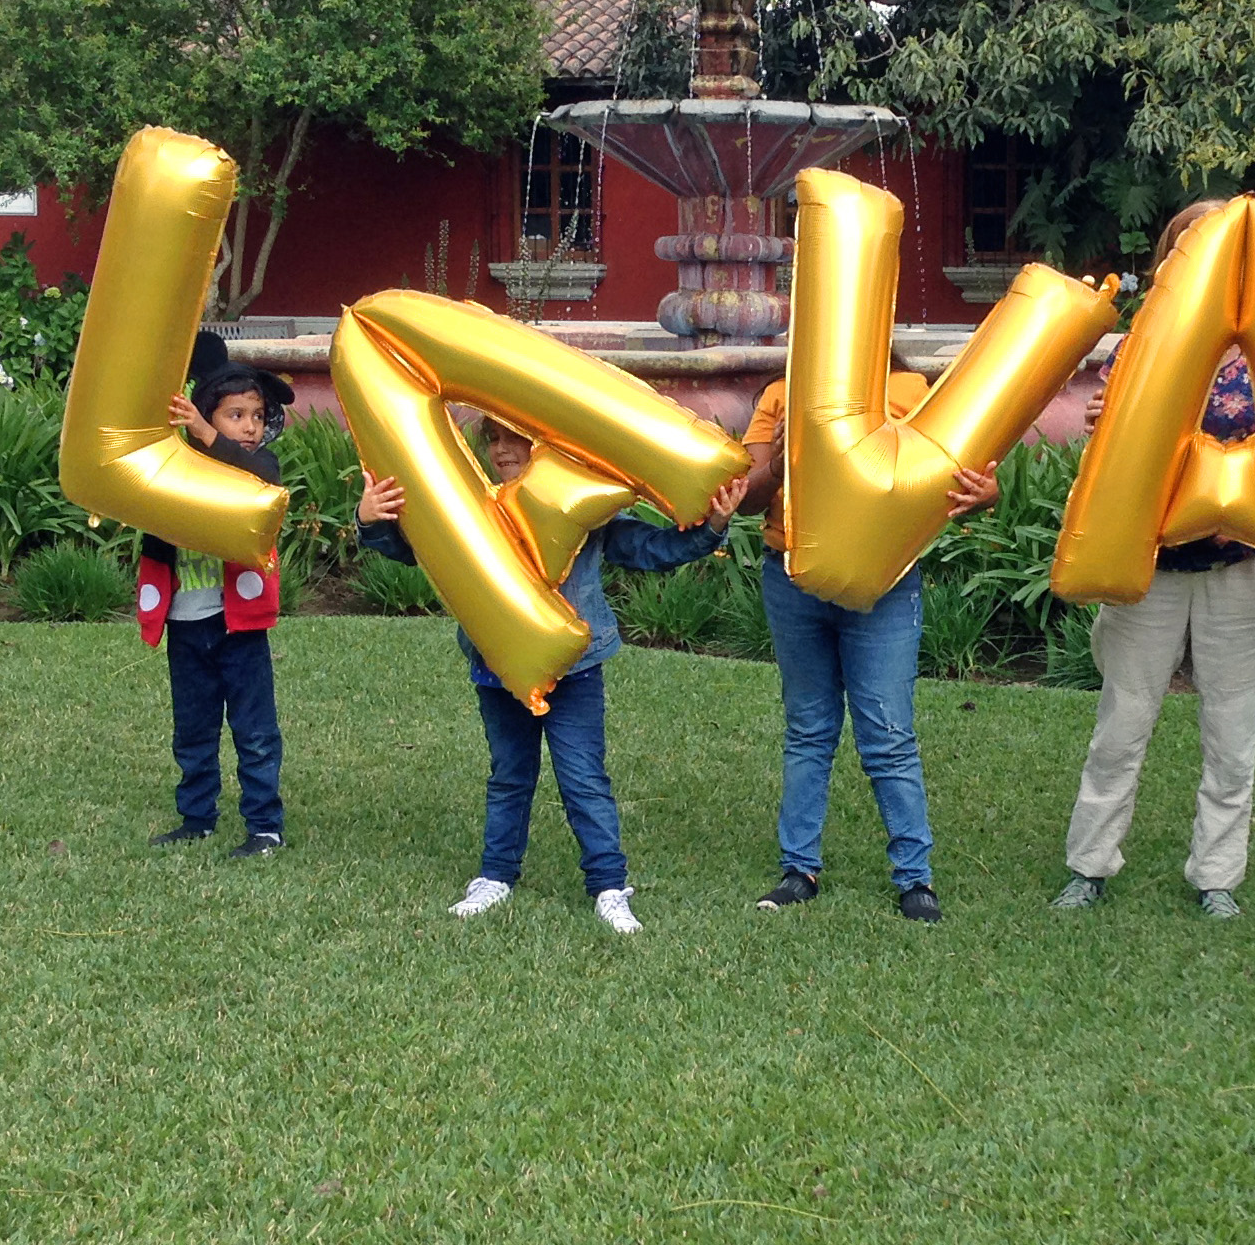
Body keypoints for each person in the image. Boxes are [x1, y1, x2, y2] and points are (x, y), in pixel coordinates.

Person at [1049, 202, 1255, 919]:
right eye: (1196, 245)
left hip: (1243, 569)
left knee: (1233, 730)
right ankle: (1089, 865)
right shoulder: (1141, 344)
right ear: (1175, 257)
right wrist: (1103, 425)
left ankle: (1216, 876)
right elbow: (1114, 454)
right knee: (1122, 723)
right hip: (1153, 567)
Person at [355, 421, 747, 935]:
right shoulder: (475, 502)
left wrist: (711, 528)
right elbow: (415, 544)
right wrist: (370, 521)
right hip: (499, 665)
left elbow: (651, 548)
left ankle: (609, 885)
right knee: (509, 775)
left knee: (583, 777)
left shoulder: (575, 499)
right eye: (492, 441)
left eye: (512, 439)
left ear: (540, 442)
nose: (500, 450)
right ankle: (495, 876)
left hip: (575, 668)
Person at [741, 361, 997, 924]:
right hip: (791, 577)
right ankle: (798, 868)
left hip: (884, 581)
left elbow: (957, 473)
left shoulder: (911, 390)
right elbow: (747, 496)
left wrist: (987, 493)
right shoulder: (781, 392)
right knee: (809, 726)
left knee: (887, 731)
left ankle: (915, 878)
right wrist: (782, 459)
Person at [140, 363, 298, 859]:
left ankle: (265, 826)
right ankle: (197, 817)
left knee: (254, 732)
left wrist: (208, 432)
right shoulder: (175, 471)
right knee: (193, 729)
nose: (250, 426)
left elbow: (263, 477)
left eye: (256, 415)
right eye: (235, 415)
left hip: (239, 628)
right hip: (185, 626)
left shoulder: (259, 471)